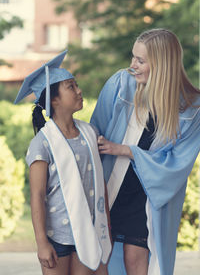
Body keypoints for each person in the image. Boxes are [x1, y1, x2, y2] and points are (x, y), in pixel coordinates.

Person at [90, 28, 200, 275]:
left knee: (137, 259)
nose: (133, 65)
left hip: (148, 195)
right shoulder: (121, 84)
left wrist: (125, 150)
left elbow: (176, 166)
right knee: (98, 258)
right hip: (110, 187)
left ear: (161, 65)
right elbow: (95, 132)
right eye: (133, 57)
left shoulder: (192, 109)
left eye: (140, 60)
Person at [14, 50, 112, 275]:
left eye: (77, 85)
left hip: (90, 231)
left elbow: (99, 184)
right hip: (57, 236)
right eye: (71, 86)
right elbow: (37, 195)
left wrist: (107, 225)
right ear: (54, 99)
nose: (79, 91)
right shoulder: (43, 143)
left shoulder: (89, 132)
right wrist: (41, 243)